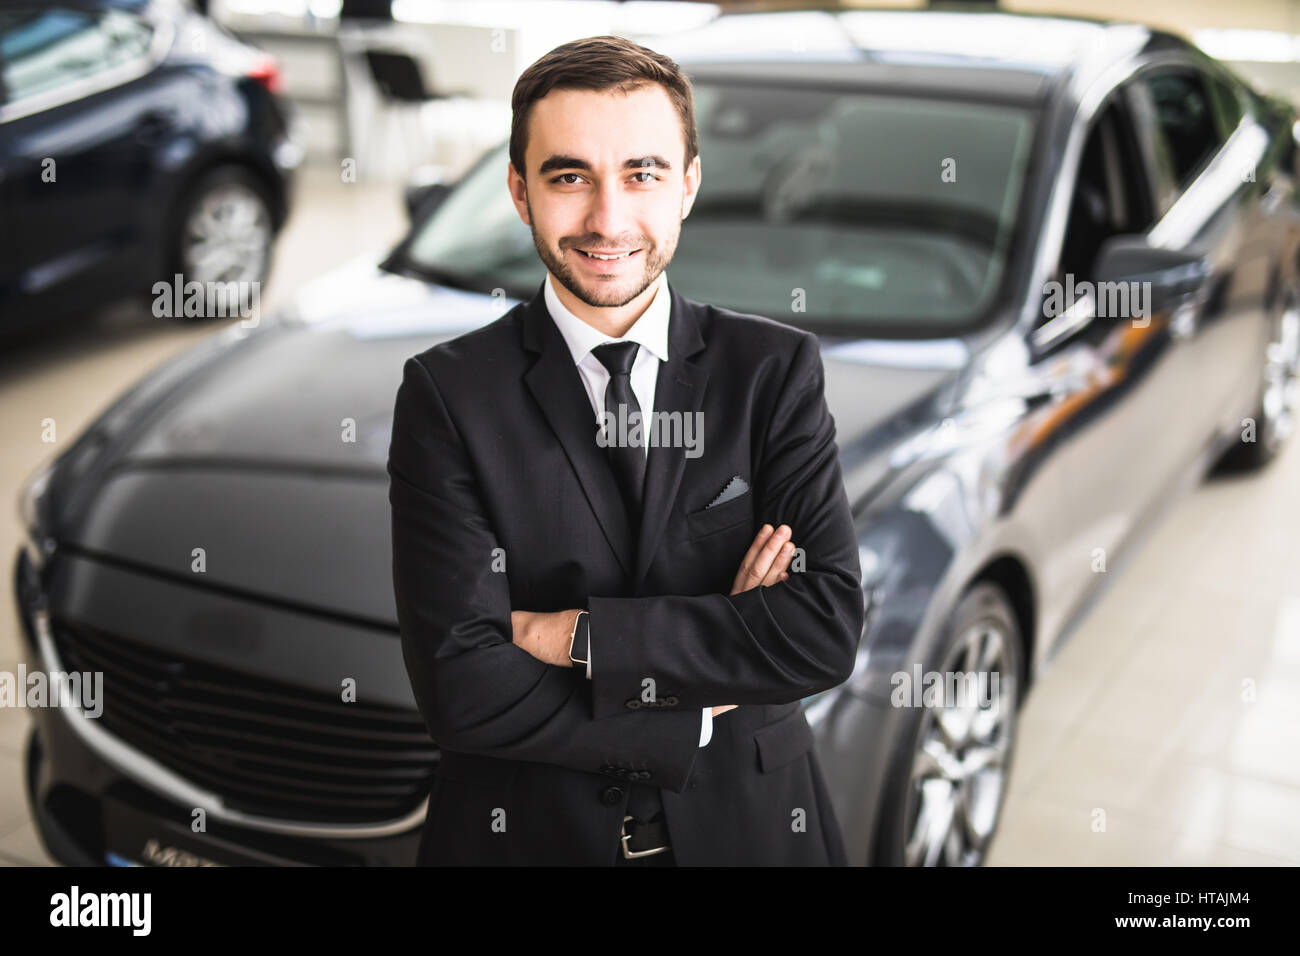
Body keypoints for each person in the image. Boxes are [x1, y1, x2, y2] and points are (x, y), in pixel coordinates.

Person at [388, 34, 864, 866]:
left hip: (750, 832)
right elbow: (463, 690)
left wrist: (575, 637)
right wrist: (706, 692)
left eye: (642, 174)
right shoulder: (447, 395)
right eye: (569, 176)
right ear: (519, 190)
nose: (608, 220)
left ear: (687, 184)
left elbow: (820, 631)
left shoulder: (773, 372)